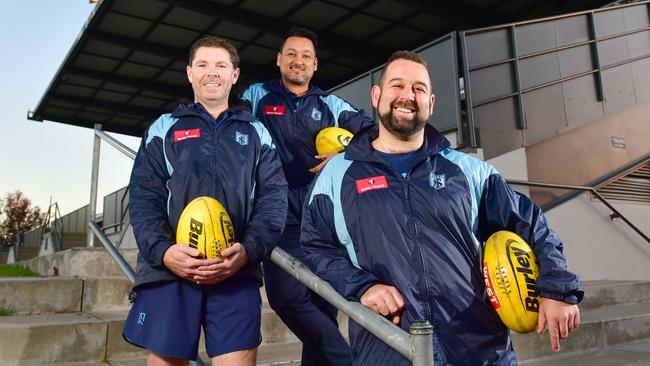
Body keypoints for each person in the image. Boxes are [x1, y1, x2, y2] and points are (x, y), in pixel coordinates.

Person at [300, 50, 583, 365]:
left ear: (431, 103)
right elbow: (315, 246)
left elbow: (532, 225)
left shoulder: (469, 170)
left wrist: (558, 288)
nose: (408, 95)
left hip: (478, 349)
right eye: (397, 85)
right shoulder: (337, 175)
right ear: (376, 95)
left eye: (418, 89)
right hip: (388, 348)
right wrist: (362, 286)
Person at [122, 36, 287, 366]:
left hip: (235, 271)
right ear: (189, 73)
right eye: (203, 65)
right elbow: (144, 198)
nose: (212, 73)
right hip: (170, 271)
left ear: (234, 75)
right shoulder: (163, 128)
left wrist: (248, 251)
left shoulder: (257, 132)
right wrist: (165, 252)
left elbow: (273, 200)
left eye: (221, 66)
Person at [239, 27, 374, 365]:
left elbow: (373, 132)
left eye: (305, 56)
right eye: (291, 54)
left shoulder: (331, 104)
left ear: (315, 65)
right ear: (279, 60)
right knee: (286, 298)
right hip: (277, 212)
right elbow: (232, 127)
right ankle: (347, 360)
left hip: (323, 216)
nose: (298, 61)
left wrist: (346, 152)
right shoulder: (256, 96)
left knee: (322, 305)